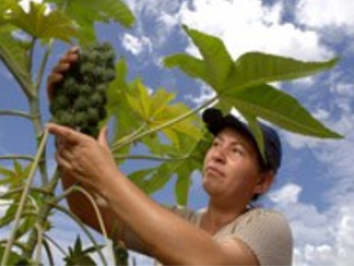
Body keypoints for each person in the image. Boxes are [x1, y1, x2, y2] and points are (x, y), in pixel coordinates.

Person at [46, 47, 293, 265]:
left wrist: (106, 176)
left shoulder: (268, 226)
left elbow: (212, 261)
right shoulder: (180, 218)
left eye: (236, 150)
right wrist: (69, 119)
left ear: (262, 181)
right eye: (216, 144)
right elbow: (88, 210)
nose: (218, 155)